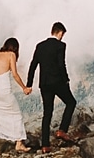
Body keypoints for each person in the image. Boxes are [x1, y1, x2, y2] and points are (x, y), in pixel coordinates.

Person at [27, 22, 76, 150]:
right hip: (58, 82)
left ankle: (45, 145)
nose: (62, 37)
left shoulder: (40, 46)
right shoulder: (60, 45)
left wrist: (29, 84)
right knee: (71, 102)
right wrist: (66, 79)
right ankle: (62, 130)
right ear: (60, 33)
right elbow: (61, 64)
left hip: (44, 84)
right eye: (62, 35)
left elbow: (33, 66)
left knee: (47, 113)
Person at [0, 37, 33, 153]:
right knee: (16, 114)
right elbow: (15, 74)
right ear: (15, 48)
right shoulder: (11, 55)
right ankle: (19, 143)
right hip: (4, 88)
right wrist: (24, 87)